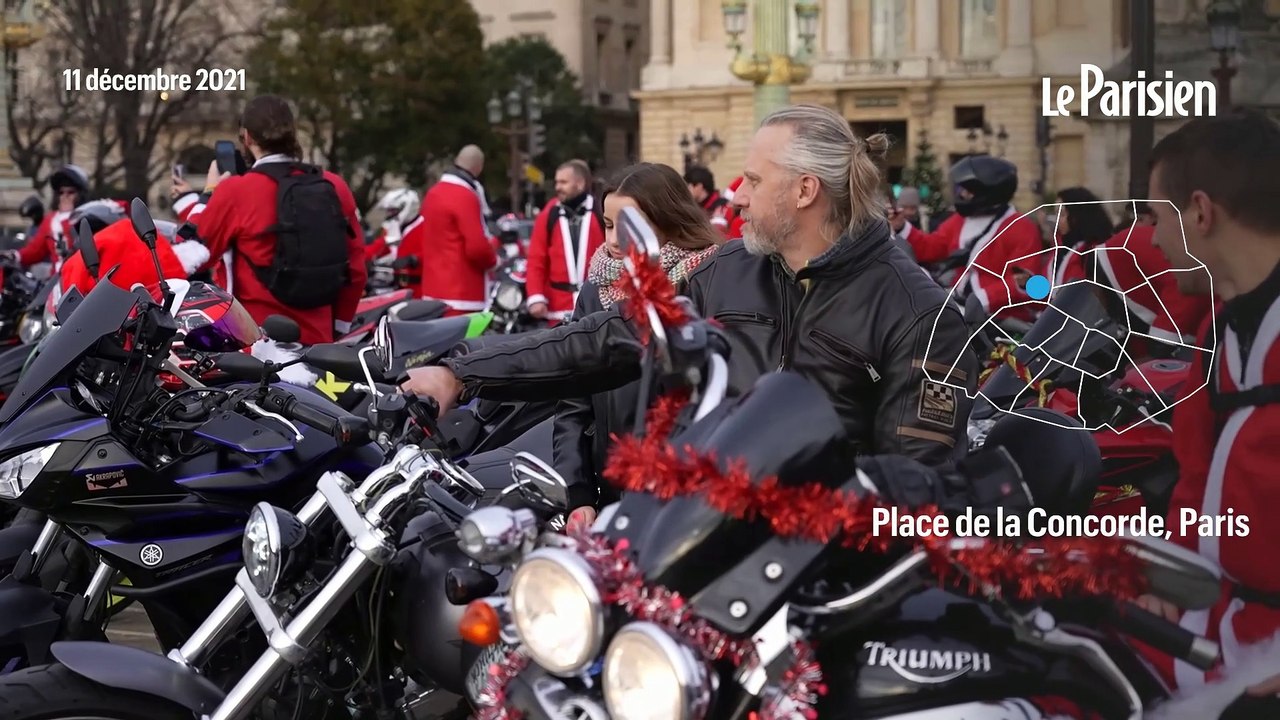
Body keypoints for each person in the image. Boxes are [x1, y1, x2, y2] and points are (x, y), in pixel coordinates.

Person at [402, 104, 977, 519]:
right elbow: (601, 340)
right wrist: (461, 369)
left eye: (753, 180)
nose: (738, 197)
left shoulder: (920, 312)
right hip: (691, 545)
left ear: (805, 191)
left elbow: (917, 484)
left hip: (811, 583)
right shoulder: (725, 270)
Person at [1132, 109, 1280, 718]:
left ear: (1200, 212)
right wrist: (1169, 578)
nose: (1151, 240)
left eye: (1155, 218)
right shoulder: (1221, 334)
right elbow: (1196, 479)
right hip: (1219, 633)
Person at [555, 163, 721, 528]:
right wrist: (577, 494)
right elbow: (573, 402)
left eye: (628, 227)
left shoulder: (704, 280)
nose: (614, 241)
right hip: (611, 493)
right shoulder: (595, 291)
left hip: (684, 499)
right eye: (609, 225)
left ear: (666, 219)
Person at [169, 94, 367, 346]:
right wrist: (338, 326)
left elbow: (192, 255)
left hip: (257, 344)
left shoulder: (236, 191)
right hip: (320, 341)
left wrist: (208, 194)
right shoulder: (334, 185)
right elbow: (356, 270)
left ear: (247, 137)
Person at [890, 155, 1043, 323]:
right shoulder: (961, 220)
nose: (961, 194)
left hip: (1000, 319)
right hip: (959, 308)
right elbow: (931, 247)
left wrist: (978, 300)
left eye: (967, 190)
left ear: (986, 192)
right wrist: (902, 227)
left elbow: (1024, 283)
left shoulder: (1022, 228)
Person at [419, 145, 498, 316]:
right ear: (479, 167)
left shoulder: (433, 193)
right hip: (463, 293)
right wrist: (494, 261)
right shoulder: (465, 195)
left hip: (432, 291)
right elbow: (477, 247)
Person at [526, 160, 605, 322]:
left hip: (596, 305)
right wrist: (536, 296)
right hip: (558, 308)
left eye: (563, 182)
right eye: (556, 182)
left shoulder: (601, 212)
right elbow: (536, 259)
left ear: (580, 183)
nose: (557, 187)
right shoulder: (548, 216)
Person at [58, 200, 189, 295]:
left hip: (113, 318)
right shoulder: (151, 237)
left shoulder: (102, 242)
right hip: (166, 305)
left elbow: (73, 287)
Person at [5, 165, 91, 270]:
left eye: (70, 192)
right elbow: (36, 250)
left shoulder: (90, 215)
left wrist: (67, 217)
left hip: (83, 275)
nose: (65, 196)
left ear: (81, 194)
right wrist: (15, 256)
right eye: (61, 192)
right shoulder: (51, 219)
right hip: (57, 279)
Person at [366, 188, 426, 290]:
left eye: (393, 210)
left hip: (419, 288)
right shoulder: (395, 228)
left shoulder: (425, 226)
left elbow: (436, 252)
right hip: (397, 286)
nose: (390, 214)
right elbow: (378, 248)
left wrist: (413, 259)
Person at [685, 164, 744, 240]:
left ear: (699, 186)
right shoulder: (695, 208)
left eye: (688, 186)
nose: (686, 191)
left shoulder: (723, 208)